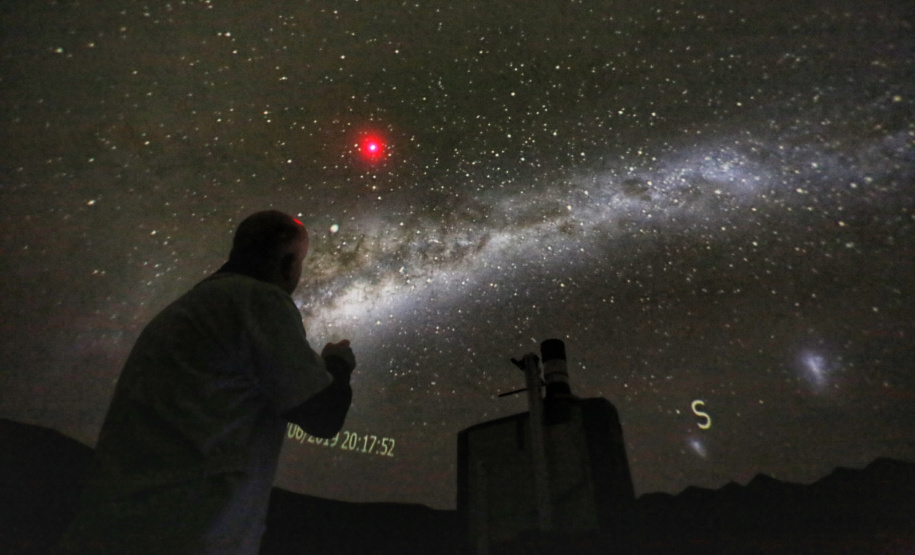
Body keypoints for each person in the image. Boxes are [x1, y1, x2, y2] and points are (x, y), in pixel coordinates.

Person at [55, 211, 356, 554]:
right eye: (300, 262)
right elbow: (323, 415)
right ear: (288, 264)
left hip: (110, 528)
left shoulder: (187, 309)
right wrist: (338, 364)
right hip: (187, 534)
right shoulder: (259, 302)